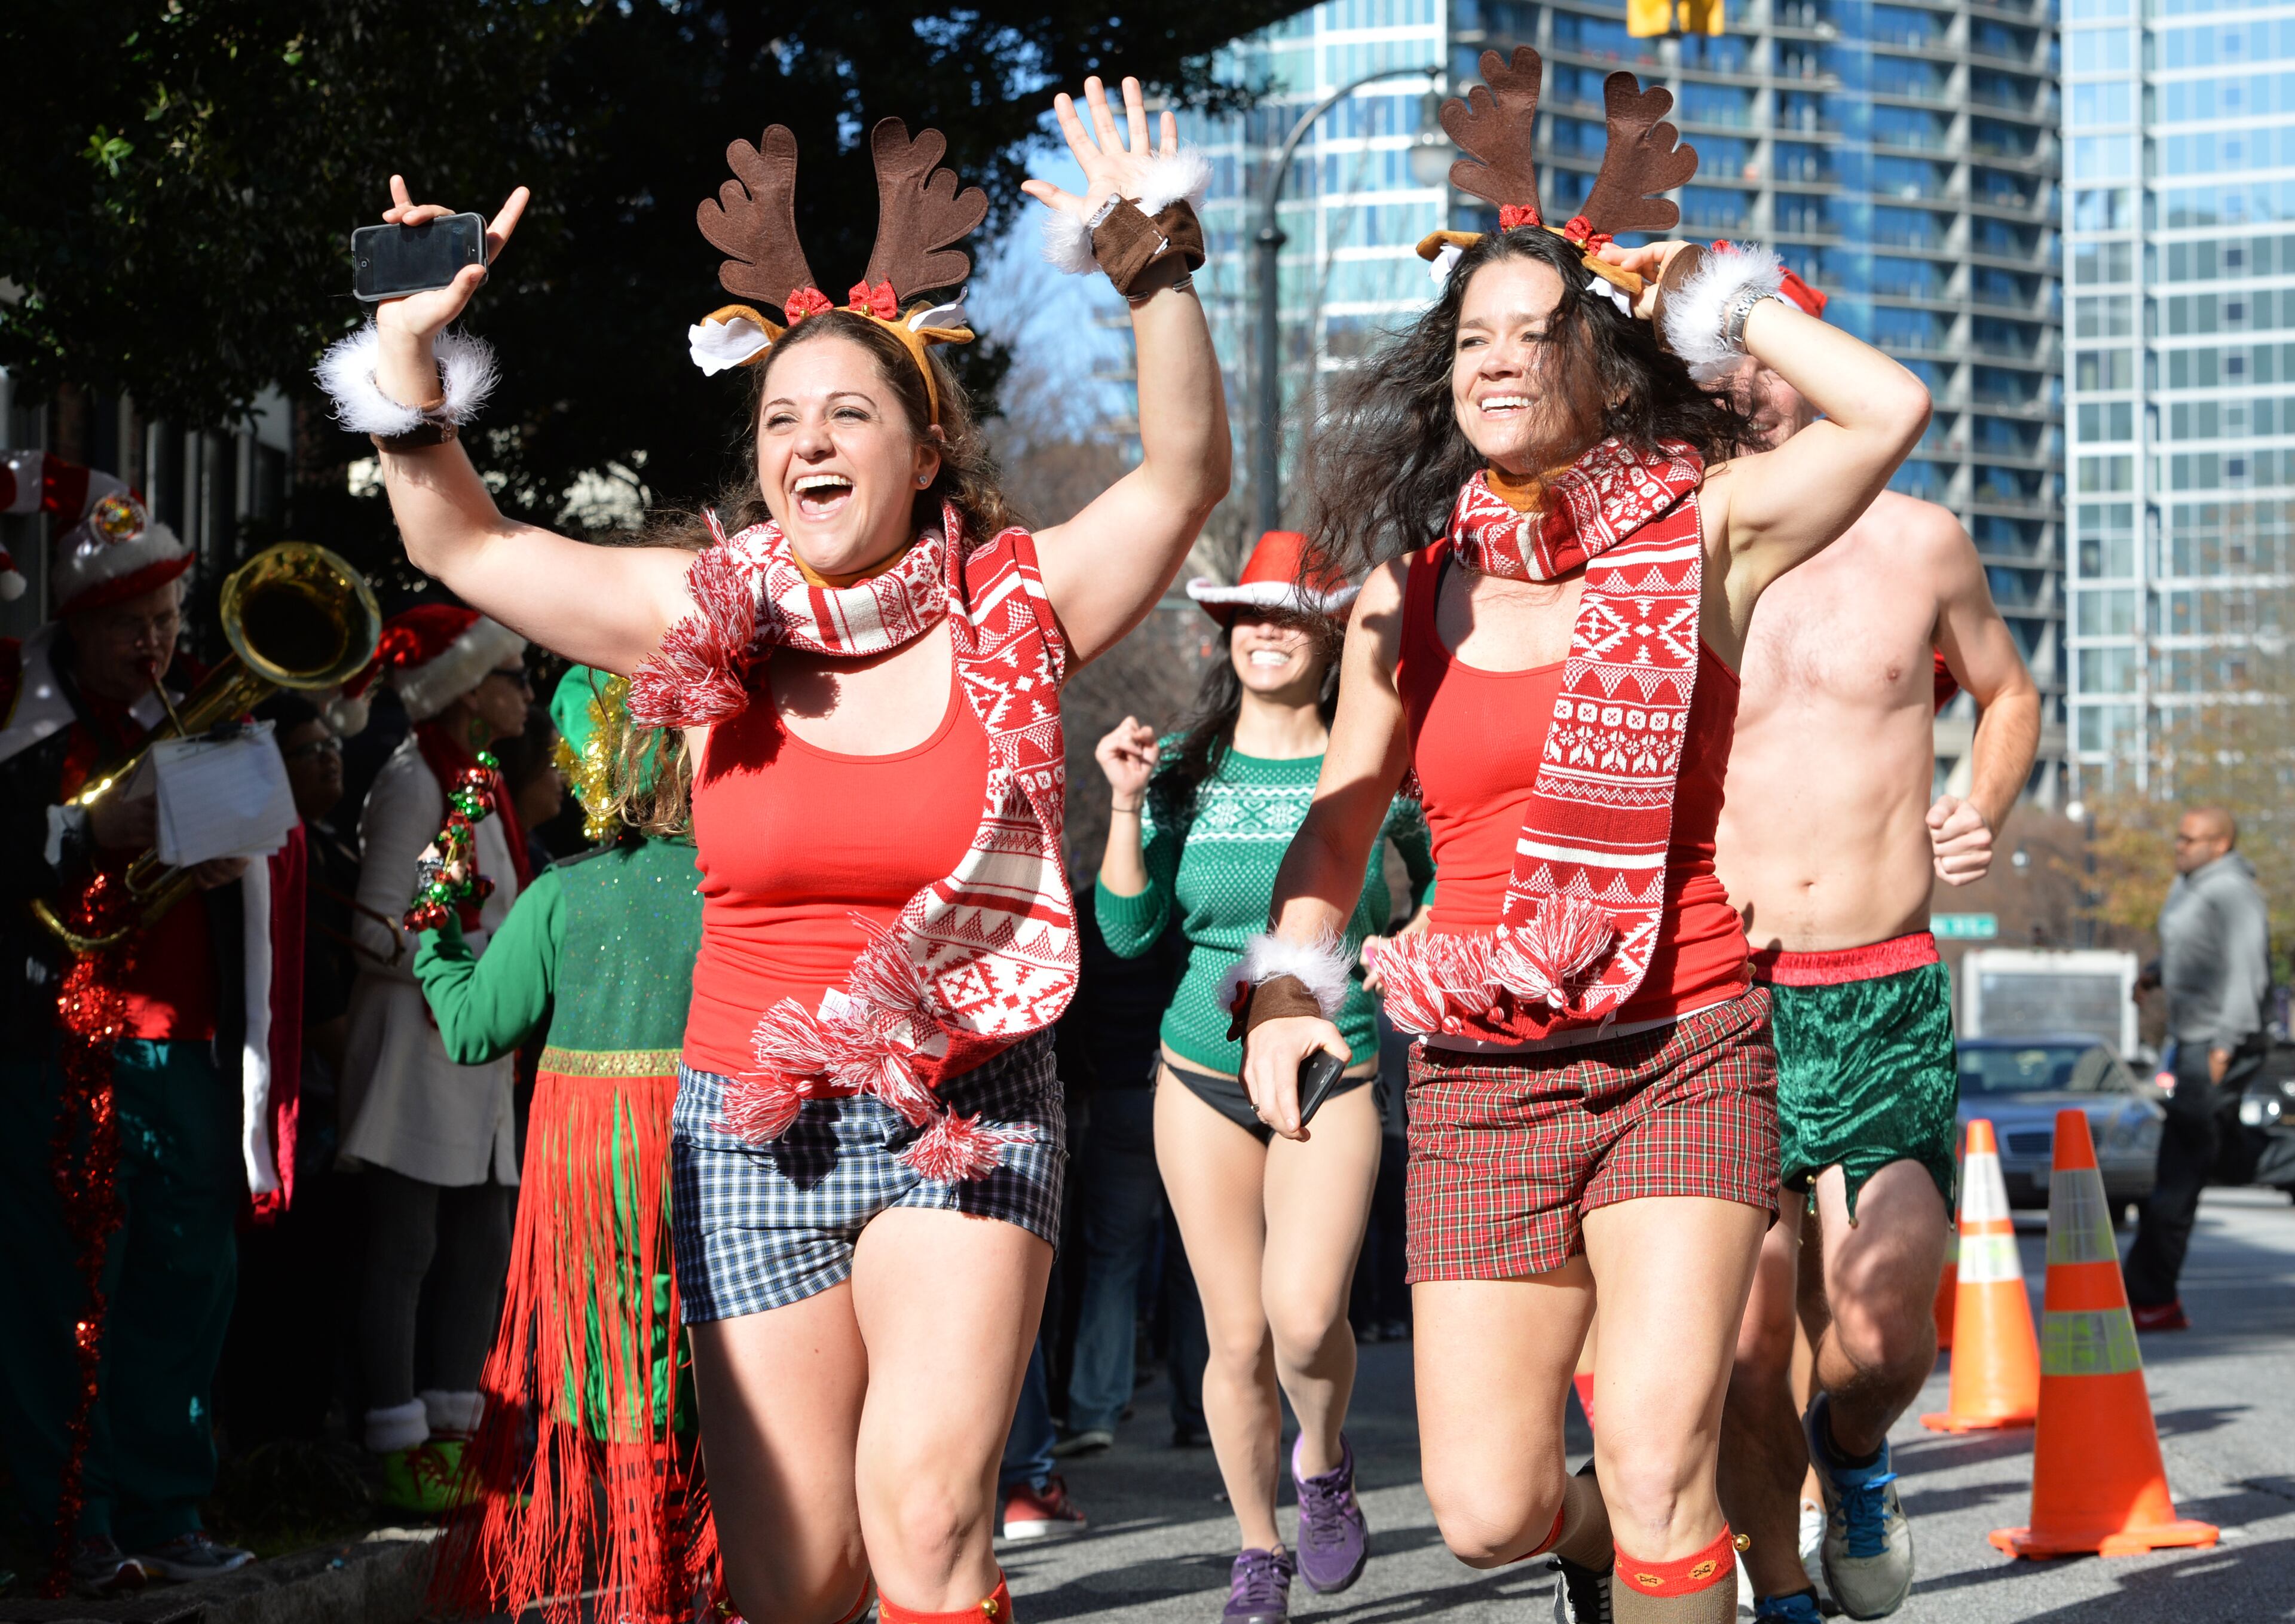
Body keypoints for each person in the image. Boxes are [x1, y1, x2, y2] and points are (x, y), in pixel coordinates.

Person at [319, 74, 1227, 1624]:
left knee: (931, 1521)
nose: (807, 439)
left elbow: (1181, 475)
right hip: (748, 1131)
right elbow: (462, 541)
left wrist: (1154, 269)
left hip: (966, 1109)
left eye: (849, 412)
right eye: (780, 417)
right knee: (792, 1576)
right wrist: (409, 354)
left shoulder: (1018, 606)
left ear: (927, 449)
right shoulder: (709, 615)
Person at [1234, 50, 1930, 1624]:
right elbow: (1337, 830)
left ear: (1606, 366)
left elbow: (1891, 404)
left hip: (1684, 1035)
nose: (1499, 358)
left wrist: (1719, 295)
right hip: (1482, 1063)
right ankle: (1602, 1552)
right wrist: (1286, 990)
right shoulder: (1405, 596)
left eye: (1538, 333)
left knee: (1668, 1453)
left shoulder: (1709, 535)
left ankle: (1667, 1534)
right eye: (1473, 334)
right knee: (1487, 1503)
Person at [1706, 322, 2041, 1622]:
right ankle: (1780, 1588)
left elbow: (2005, 694)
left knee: (1888, 1333)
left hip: (1879, 981)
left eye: (1770, 358)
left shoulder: (1922, 541)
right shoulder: (1684, 542)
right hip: (1719, 992)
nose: (1747, 388)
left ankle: (1850, 1454)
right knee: (1741, 1356)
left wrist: (1983, 800)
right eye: (1721, 372)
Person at [1095, 528, 1431, 1621]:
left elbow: (1443, 880)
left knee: (1300, 1313)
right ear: (1227, 636)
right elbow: (1131, 930)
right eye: (1248, 615)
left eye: (1290, 613)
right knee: (1233, 1334)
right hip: (1199, 1068)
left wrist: (1405, 946)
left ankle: (1323, 1463)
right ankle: (1257, 1548)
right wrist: (1123, 806)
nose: (1267, 632)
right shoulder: (1186, 768)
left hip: (1334, 1064)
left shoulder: (1382, 764)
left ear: (1332, 638)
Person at [0, 468, 299, 1592]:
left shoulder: (200, 712)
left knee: (185, 1275)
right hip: (61, 1044)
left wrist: (237, 856)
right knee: (64, 1287)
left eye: (170, 619)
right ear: (76, 629)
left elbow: (269, 854)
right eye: (134, 624)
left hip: (189, 1045)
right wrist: (80, 827)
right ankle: (71, 1514)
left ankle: (168, 1503)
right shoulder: (21, 726)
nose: (159, 643)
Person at [411, 666, 712, 1623]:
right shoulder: (732, 883)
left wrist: (435, 932)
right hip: (712, 1141)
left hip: (592, 1148)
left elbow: (469, 1028)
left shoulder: (562, 894)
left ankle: (645, 1583)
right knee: (724, 1352)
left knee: (623, 1367)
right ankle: (732, 1573)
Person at [336, 603, 532, 1510]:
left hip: (469, 1051)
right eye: (513, 676)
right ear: (467, 687)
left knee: (480, 1242)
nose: (525, 692)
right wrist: (478, 966)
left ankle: (455, 1429)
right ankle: (398, 1435)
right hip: (422, 1050)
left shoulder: (477, 777)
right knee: (406, 1244)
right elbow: (375, 928)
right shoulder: (418, 780)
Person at [2123, 807, 2275, 1331]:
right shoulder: (2188, 885)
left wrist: (2224, 1047)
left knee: (2181, 1167)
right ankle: (2150, 1295)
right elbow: (2196, 950)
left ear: (2222, 844)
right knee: (2228, 1158)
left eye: (2192, 840)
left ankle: (2149, 1296)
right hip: (2193, 1037)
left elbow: (2247, 970)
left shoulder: (2233, 891)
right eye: (2179, 837)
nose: (2179, 846)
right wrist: (2156, 974)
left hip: (2216, 1041)